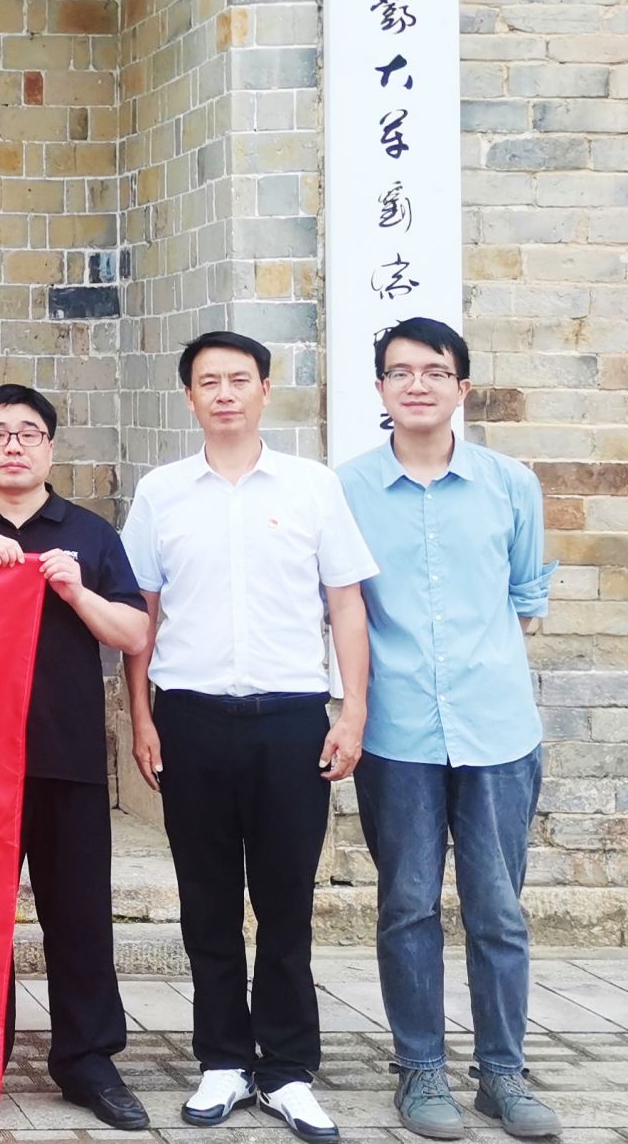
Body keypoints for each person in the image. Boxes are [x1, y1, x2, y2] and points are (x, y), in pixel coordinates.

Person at [121, 332, 378, 1144]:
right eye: (209, 382)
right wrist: (140, 717)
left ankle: (290, 1069)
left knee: (286, 901)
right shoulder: (162, 493)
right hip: (190, 718)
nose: (225, 393)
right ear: (189, 397)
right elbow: (141, 615)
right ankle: (224, 1060)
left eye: (240, 379)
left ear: (267, 389)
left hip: (291, 718)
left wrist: (352, 711)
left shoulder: (312, 486)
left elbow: (346, 603)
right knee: (205, 900)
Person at [337, 318, 560, 1140]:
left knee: (498, 909)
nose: (418, 385)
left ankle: (503, 1073)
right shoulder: (347, 489)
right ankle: (420, 1070)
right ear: (380, 389)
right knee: (406, 904)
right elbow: (341, 603)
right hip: (396, 731)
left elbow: (527, 596)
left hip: (497, 727)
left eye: (435, 371)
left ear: (462, 387)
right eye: (400, 372)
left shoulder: (510, 484)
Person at [0, 384, 152, 1132]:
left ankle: (88, 1061)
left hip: (68, 753)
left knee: (78, 916)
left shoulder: (88, 532)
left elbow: (134, 633)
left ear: (50, 447)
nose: (13, 445)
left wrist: (76, 591)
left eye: (28, 433)